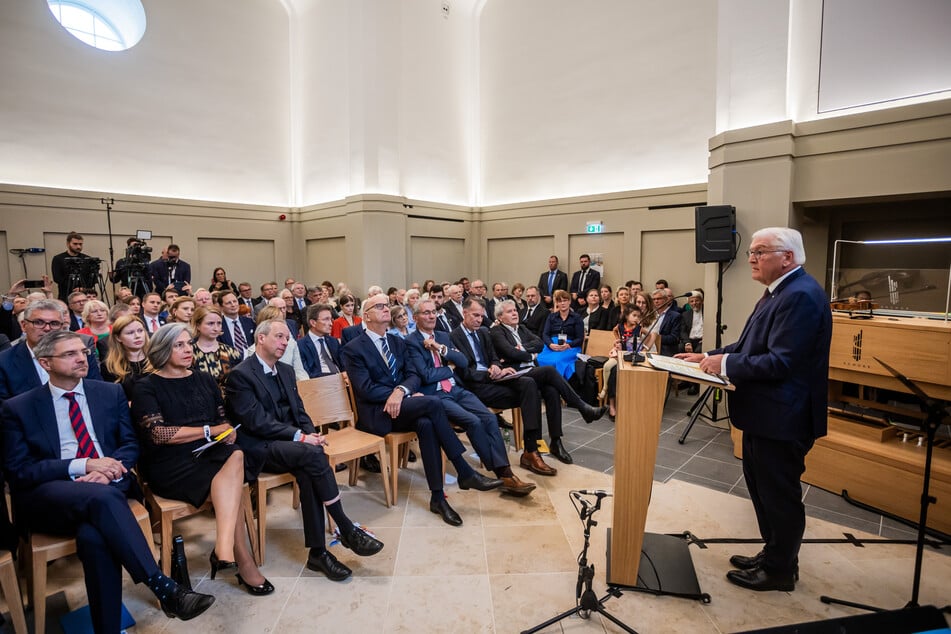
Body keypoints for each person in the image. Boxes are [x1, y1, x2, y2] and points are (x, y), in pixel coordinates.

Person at [2, 330, 215, 630]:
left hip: (108, 485)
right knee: (103, 500)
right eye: (70, 354)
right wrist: (83, 464)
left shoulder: (108, 393)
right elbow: (20, 471)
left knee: (95, 537)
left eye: (83, 352)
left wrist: (110, 468)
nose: (82, 358)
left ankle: (109, 628)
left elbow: (130, 444)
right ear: (45, 362)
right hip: (52, 496)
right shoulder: (19, 407)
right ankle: (162, 586)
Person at [676, 227, 832, 592]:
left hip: (784, 417)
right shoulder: (779, 293)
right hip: (766, 415)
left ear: (788, 257)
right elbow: (751, 344)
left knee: (779, 496)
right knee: (762, 491)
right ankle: (774, 553)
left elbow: (781, 363)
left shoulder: (802, 297)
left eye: (760, 251)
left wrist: (725, 365)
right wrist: (710, 356)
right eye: (751, 252)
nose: (751, 258)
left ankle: (780, 571)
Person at [224, 319, 384, 580]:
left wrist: (310, 433)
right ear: (260, 339)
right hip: (260, 447)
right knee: (312, 455)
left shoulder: (286, 370)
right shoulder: (241, 375)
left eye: (287, 338)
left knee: (310, 466)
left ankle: (318, 553)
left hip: (291, 444)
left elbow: (300, 411)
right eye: (279, 337)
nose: (285, 343)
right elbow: (256, 422)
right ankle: (344, 526)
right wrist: (300, 436)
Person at [131, 324, 272, 595]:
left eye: (188, 344)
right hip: (171, 463)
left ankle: (224, 549)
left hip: (211, 452)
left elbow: (221, 419)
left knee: (236, 452)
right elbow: (158, 434)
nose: (187, 350)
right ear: (162, 349)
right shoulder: (146, 386)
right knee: (232, 488)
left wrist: (227, 431)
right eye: (179, 345)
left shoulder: (204, 379)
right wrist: (208, 431)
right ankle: (238, 558)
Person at [341, 293, 504, 526]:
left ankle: (438, 498)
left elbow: (413, 375)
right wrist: (398, 393)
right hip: (377, 414)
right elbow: (365, 389)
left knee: (427, 423)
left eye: (387, 305)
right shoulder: (353, 348)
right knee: (433, 403)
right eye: (379, 306)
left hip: (403, 407)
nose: (387, 309)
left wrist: (402, 391)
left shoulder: (397, 342)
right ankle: (463, 471)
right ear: (366, 316)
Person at [407, 299, 536, 496]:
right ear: (415, 317)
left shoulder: (442, 335)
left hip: (456, 390)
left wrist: (441, 349)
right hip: (436, 394)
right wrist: (448, 368)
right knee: (473, 421)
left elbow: (462, 361)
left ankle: (505, 473)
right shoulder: (411, 342)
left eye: (433, 312)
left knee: (490, 418)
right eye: (426, 313)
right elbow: (426, 375)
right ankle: (503, 475)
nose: (432, 316)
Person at [490, 299, 607, 461]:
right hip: (515, 375)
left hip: (530, 370)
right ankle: (583, 407)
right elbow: (509, 353)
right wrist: (530, 354)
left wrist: (524, 349)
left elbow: (538, 343)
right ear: (500, 317)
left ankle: (556, 442)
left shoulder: (522, 328)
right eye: (510, 312)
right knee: (550, 370)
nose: (515, 313)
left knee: (552, 390)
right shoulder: (497, 331)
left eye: (515, 310)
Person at [0, 299, 102, 402]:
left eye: (54, 323)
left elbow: (96, 393)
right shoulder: (4, 362)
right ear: (23, 325)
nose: (47, 328)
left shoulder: (82, 354)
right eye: (39, 322)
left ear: (62, 327)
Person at [246, 305, 309, 380]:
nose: (282, 324)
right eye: (277, 321)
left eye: (283, 320)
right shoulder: (253, 351)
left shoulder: (291, 344)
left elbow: (300, 372)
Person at [100, 314, 150, 399]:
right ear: (118, 338)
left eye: (140, 331)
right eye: (130, 333)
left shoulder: (157, 358)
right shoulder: (110, 366)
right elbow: (113, 398)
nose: (137, 336)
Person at [537, 289, 583, 379]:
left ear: (569, 302)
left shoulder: (577, 318)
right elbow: (545, 334)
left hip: (570, 346)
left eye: (565, 300)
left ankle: (558, 385)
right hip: (553, 344)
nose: (562, 303)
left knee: (557, 360)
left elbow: (580, 338)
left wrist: (568, 345)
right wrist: (550, 344)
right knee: (538, 359)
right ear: (556, 303)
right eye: (559, 301)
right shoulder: (551, 316)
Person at [190, 306, 244, 384]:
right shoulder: (190, 352)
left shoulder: (231, 351)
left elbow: (240, 380)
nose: (216, 328)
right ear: (198, 325)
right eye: (210, 323)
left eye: (219, 323)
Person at [299, 303, 343, 378]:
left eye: (331, 319)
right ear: (313, 322)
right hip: (318, 384)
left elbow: (343, 365)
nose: (331, 323)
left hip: (342, 382)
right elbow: (307, 373)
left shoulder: (333, 341)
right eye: (326, 319)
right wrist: (334, 376)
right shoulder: (301, 346)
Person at [51, 231, 90, 302]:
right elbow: (57, 278)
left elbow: (90, 278)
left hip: (84, 295)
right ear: (68, 244)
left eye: (80, 244)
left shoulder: (87, 259)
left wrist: (83, 288)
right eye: (75, 244)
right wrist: (73, 287)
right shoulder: (58, 259)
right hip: (65, 295)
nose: (78, 246)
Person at [216, 291, 255, 356]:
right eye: (228, 303)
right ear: (221, 307)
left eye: (235, 301)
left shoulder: (249, 322)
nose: (233, 305)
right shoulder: (218, 325)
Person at [650, 289, 682, 356]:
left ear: (666, 300)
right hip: (650, 348)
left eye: (659, 299)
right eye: (654, 299)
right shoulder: (650, 315)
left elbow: (674, 338)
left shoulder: (675, 316)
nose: (656, 301)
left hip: (666, 351)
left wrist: (655, 338)